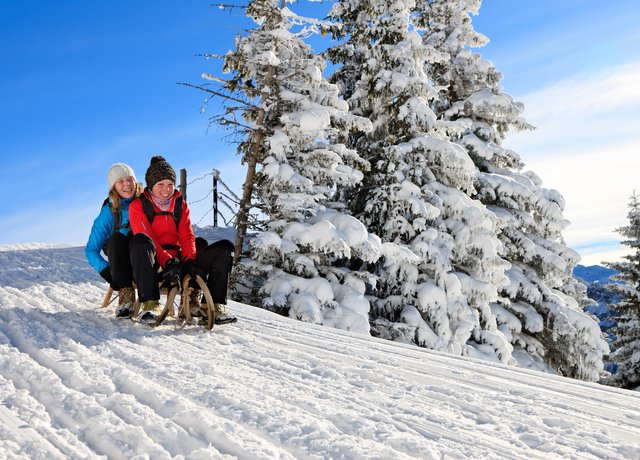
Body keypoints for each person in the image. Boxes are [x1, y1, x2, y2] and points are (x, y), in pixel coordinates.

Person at [129, 155, 236, 324]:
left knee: (225, 248)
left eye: (170, 184)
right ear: (150, 185)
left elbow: (187, 235)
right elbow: (148, 238)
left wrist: (189, 261)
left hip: (178, 262)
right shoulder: (138, 206)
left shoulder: (180, 204)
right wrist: (168, 261)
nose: (166, 189)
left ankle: (212, 307)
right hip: (152, 262)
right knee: (141, 241)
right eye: (161, 184)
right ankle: (150, 304)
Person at [86, 163, 143, 318]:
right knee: (117, 238)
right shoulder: (109, 212)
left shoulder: (146, 203)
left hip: (146, 260)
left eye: (130, 180)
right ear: (114, 187)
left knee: (138, 237)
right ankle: (126, 295)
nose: (127, 185)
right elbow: (91, 250)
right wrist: (106, 271)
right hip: (122, 264)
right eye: (121, 181)